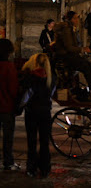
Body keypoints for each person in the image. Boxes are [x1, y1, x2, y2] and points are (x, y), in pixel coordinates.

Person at [53, 11, 91, 99]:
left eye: (77, 18)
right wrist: (82, 49)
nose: (77, 20)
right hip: (66, 57)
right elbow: (69, 47)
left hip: (71, 55)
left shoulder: (71, 28)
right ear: (70, 19)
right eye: (75, 18)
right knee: (86, 67)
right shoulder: (66, 29)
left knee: (89, 65)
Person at [20, 53, 54, 178]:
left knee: (32, 141)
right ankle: (45, 167)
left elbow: (26, 96)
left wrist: (19, 107)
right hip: (45, 112)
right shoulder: (51, 79)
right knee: (45, 141)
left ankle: (31, 168)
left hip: (32, 112)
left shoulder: (31, 78)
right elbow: (51, 95)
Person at [0, 39, 20, 171]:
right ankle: (8, 162)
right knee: (8, 137)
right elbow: (13, 89)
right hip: (6, 107)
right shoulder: (8, 67)